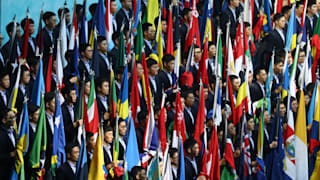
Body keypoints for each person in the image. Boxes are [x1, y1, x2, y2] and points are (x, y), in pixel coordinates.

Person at [0, 109, 17, 180]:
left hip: (12, 170)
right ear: (4, 120)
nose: (14, 119)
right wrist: (10, 155)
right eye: (11, 118)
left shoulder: (13, 131)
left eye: (14, 117)